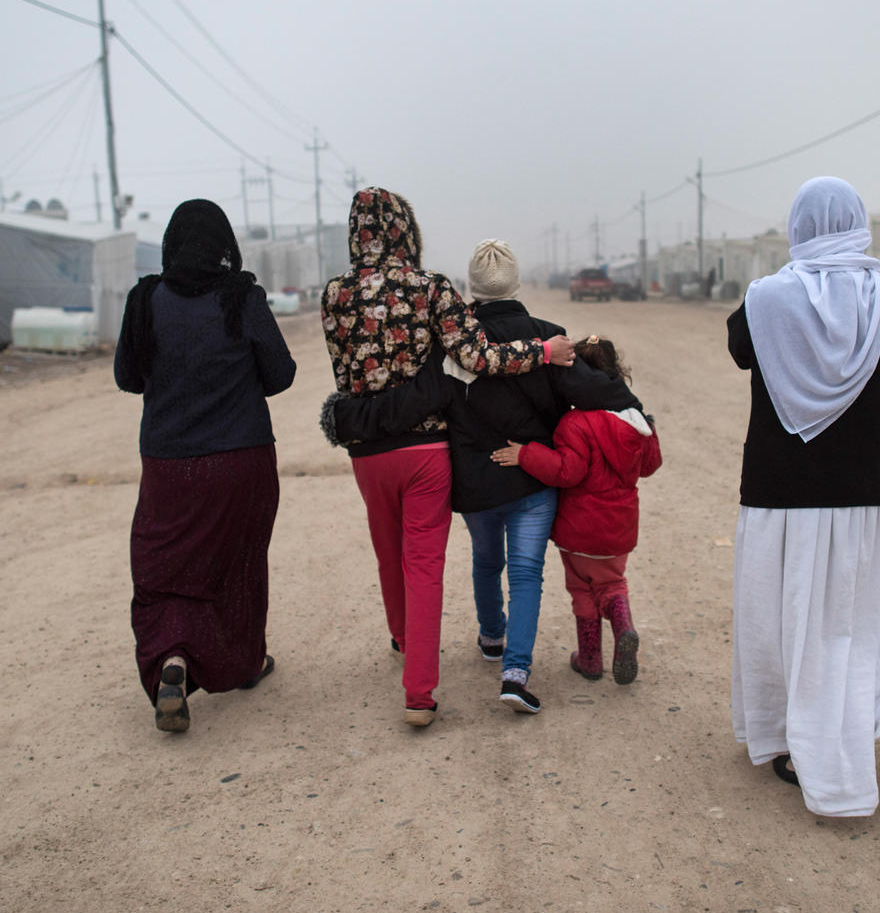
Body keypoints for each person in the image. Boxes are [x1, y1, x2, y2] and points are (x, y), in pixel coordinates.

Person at [320, 192, 575, 727]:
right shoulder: (431, 288)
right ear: (405, 230)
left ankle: (401, 636)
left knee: (388, 554)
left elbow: (347, 376)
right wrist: (542, 352)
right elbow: (477, 357)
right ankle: (418, 693)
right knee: (424, 566)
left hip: (367, 453)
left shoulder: (334, 295)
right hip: (424, 452)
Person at [727, 176, 880, 817]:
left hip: (784, 497)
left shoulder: (766, 299)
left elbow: (738, 348)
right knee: (848, 620)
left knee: (784, 620)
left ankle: (795, 739)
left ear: (799, 228)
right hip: (867, 494)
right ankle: (850, 724)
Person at [114, 199, 295, 733]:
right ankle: (241, 663)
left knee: (163, 570)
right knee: (235, 564)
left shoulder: (145, 299)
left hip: (169, 466)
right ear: (224, 246)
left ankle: (172, 659)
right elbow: (280, 373)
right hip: (242, 459)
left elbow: (128, 376)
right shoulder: (242, 297)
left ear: (171, 244)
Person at [491, 336, 661, 687]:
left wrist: (526, 454)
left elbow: (567, 471)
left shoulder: (575, 423)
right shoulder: (635, 421)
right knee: (613, 582)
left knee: (582, 590)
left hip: (579, 528)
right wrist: (650, 427)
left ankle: (591, 658)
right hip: (619, 529)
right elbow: (650, 465)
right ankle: (623, 626)